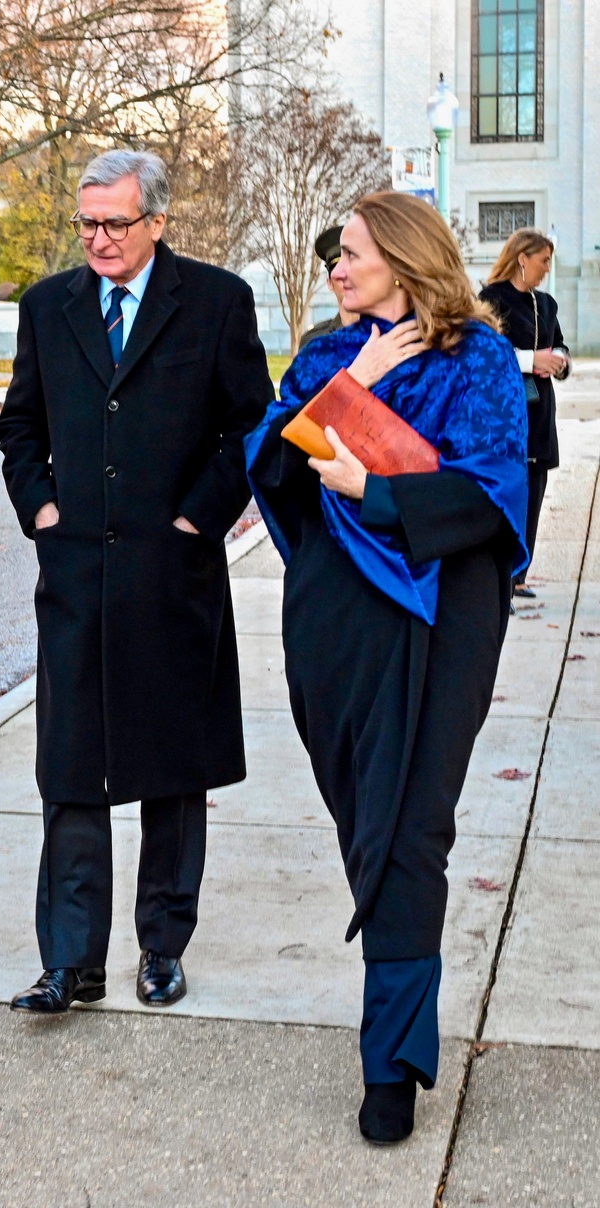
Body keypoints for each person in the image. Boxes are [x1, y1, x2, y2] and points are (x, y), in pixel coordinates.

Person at [245, 192, 528, 1144]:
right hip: (334, 621)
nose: (335, 264)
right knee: (367, 818)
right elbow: (272, 470)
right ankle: (395, 1026)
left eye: (351, 252)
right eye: (333, 252)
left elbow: (494, 492)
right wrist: (350, 385)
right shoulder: (329, 354)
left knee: (412, 828)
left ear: (405, 262)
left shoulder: (478, 358)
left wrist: (383, 490)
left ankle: (392, 1063)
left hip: (444, 614)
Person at [0, 149, 270, 1016]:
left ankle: (161, 946)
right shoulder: (48, 307)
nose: (100, 240)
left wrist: (200, 515)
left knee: (170, 770)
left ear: (156, 220)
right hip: (75, 573)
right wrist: (41, 509)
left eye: (117, 223)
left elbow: (250, 425)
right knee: (72, 772)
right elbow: (20, 426)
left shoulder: (217, 302)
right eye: (88, 224)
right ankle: (70, 960)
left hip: (172, 573)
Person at [480, 228, 570, 599]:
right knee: (506, 499)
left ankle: (518, 577)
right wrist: (532, 360)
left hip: (540, 416)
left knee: (533, 498)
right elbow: (486, 352)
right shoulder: (491, 299)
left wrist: (560, 361)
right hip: (506, 416)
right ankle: (497, 578)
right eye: (543, 260)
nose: (548, 268)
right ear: (522, 258)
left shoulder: (547, 304)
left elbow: (560, 345)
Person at [299, 225, 356, 349]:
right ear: (329, 282)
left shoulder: (388, 334)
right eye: (340, 275)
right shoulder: (313, 342)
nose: (349, 279)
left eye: (355, 271)